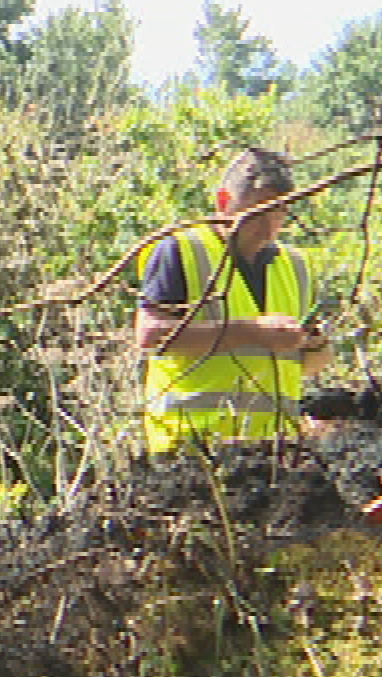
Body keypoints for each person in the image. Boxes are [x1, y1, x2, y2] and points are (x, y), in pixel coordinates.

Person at [133, 146, 322, 451]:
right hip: (191, 449)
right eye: (258, 212)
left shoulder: (297, 267)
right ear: (224, 202)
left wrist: (314, 344)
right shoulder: (181, 251)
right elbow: (151, 335)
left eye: (280, 212)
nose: (269, 227)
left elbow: (308, 363)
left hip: (276, 452)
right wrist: (252, 332)